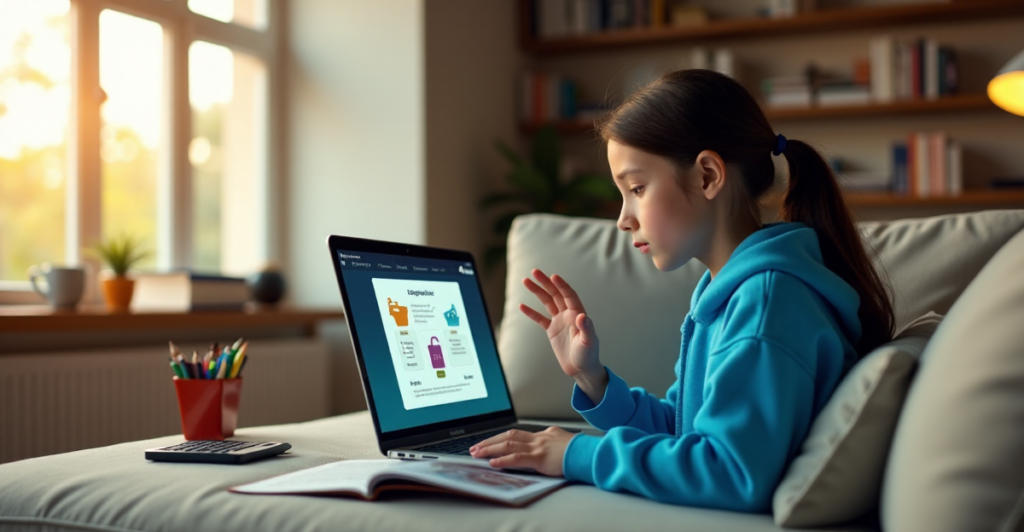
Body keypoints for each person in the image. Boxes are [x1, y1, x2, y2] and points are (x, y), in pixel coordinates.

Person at [469, 69, 894, 511]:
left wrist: (575, 453)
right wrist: (591, 378)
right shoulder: (728, 291)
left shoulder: (766, 304)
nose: (622, 218)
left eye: (636, 188)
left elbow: (731, 469)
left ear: (708, 175)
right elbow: (682, 427)